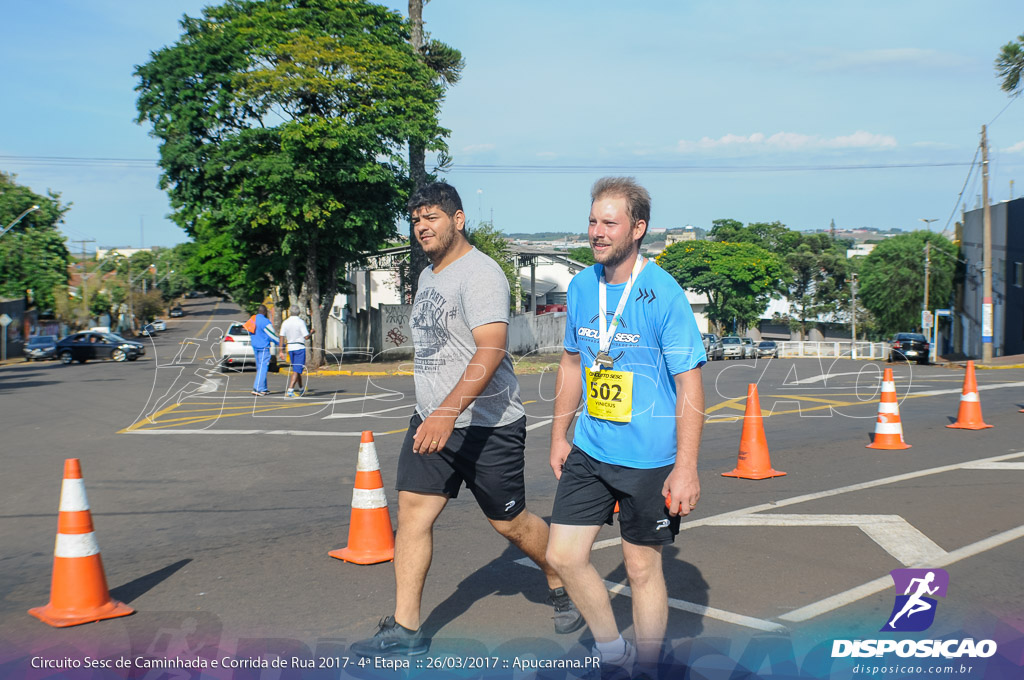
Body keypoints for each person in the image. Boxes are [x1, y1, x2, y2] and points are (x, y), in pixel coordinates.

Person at [350, 182, 583, 658]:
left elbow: (491, 348)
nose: (422, 228)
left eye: (431, 217)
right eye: (416, 220)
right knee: (414, 514)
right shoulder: (431, 275)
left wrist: (447, 412)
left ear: (458, 219)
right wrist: (433, 415)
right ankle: (405, 628)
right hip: (432, 421)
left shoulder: (481, 274)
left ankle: (559, 571)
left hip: (487, 425)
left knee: (510, 523)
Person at [545, 177, 706, 679]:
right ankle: (614, 653)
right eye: (593, 220)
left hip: (649, 458)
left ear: (637, 228)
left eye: (609, 222)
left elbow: (690, 386)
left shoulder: (662, 293)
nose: (597, 231)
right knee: (563, 556)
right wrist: (558, 435)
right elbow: (572, 365)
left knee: (641, 569)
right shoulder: (579, 286)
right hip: (591, 447)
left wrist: (686, 468)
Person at [278, 305, 312, 397]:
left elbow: (281, 336)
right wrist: (312, 332)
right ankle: (290, 389)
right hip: (299, 347)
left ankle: (301, 388)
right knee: (297, 370)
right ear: (299, 312)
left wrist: (281, 351)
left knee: (297, 369)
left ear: (289, 312)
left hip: (291, 348)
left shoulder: (285, 322)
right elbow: (306, 337)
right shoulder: (300, 322)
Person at [249, 304, 274, 396]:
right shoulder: (265, 321)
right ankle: (257, 388)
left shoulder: (252, 319)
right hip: (264, 347)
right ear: (264, 312)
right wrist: (280, 343)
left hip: (255, 346)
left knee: (260, 367)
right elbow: (272, 335)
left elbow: (249, 330)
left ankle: (263, 388)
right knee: (263, 367)